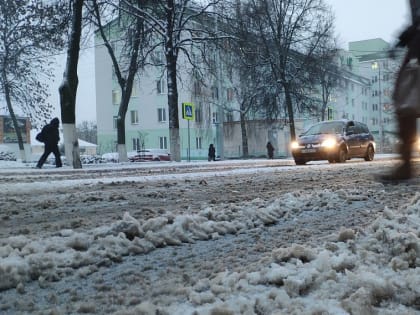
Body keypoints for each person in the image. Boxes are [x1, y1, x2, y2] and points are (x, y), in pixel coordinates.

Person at [382, 0, 420, 180]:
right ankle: (405, 166)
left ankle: (405, 166)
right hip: (415, 52)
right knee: (404, 104)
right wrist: (400, 41)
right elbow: (416, 24)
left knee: (404, 101)